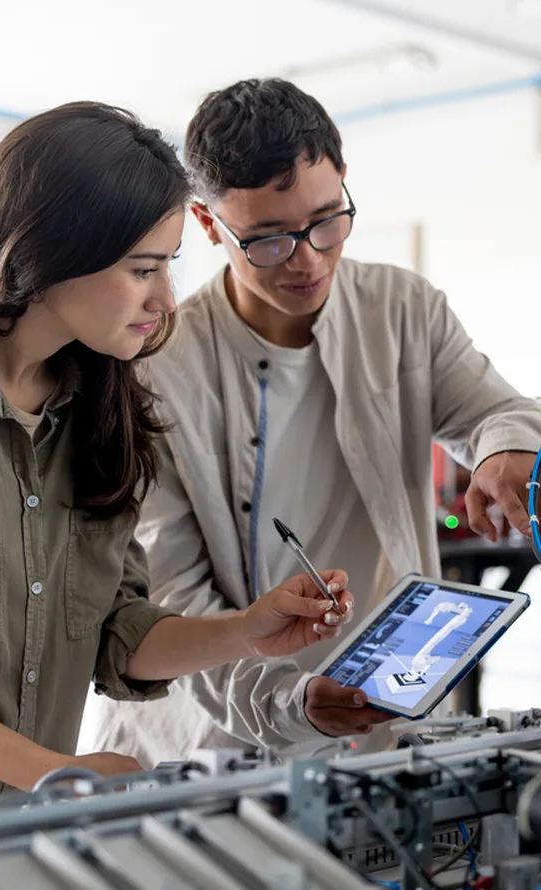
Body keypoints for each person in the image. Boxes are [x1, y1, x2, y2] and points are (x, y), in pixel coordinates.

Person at [0, 100, 360, 819]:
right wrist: (59, 776)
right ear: (53, 253)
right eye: (142, 270)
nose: (165, 300)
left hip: (13, 832)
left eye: (168, 266)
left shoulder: (99, 392)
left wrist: (245, 631)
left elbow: (115, 630)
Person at [91, 79, 541, 767]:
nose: (308, 259)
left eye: (327, 220)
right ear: (210, 226)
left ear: (344, 184)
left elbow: (499, 412)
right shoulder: (153, 367)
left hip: (389, 724)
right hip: (209, 744)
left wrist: (504, 450)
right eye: (268, 239)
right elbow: (171, 602)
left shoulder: (402, 308)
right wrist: (287, 704)